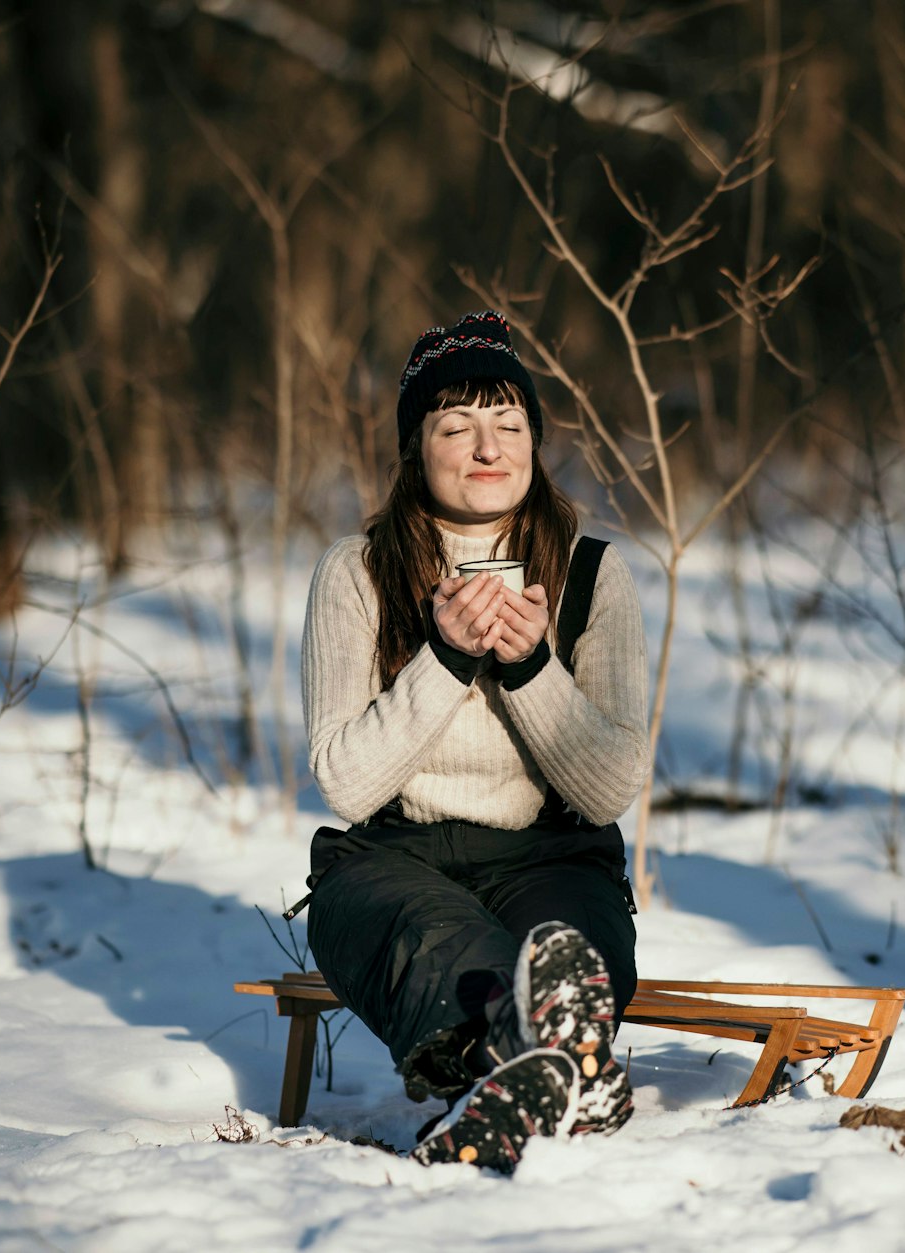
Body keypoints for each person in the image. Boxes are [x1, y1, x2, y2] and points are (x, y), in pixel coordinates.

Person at [299, 310, 651, 1172]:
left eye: (509, 423)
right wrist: (447, 656)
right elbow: (345, 782)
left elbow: (608, 790)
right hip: (397, 861)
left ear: (535, 440)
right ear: (417, 448)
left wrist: (532, 668)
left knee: (563, 953)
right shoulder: (356, 571)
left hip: (552, 857)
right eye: (457, 426)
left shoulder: (594, 575)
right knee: (420, 934)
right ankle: (556, 1064)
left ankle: (526, 1067)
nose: (487, 447)